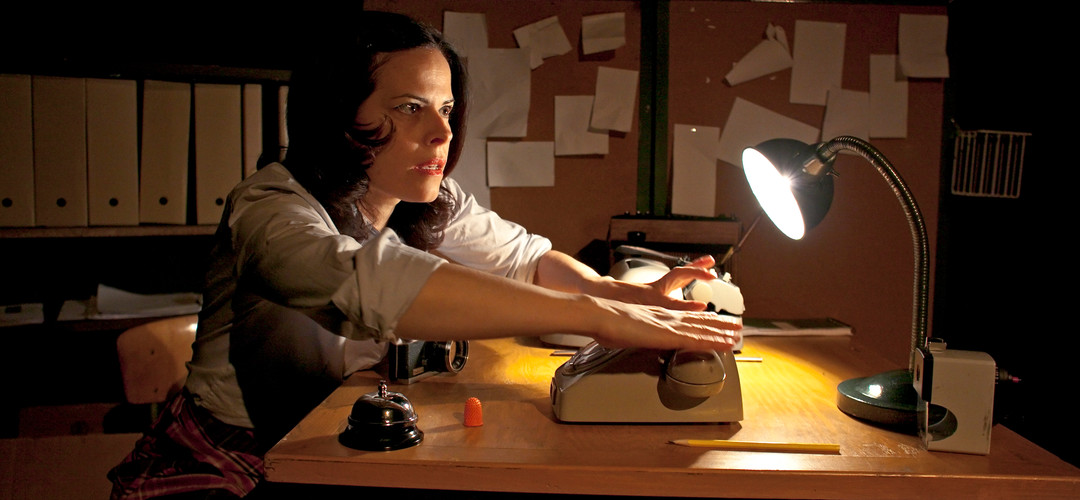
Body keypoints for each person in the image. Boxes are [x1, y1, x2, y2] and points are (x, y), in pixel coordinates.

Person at [108, 11, 740, 499]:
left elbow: (527, 258)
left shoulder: (426, 197)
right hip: (231, 459)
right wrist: (598, 317)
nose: (441, 132)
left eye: (445, 109)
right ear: (337, 114)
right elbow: (367, 284)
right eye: (409, 109)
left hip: (331, 439)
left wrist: (621, 294)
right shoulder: (269, 207)